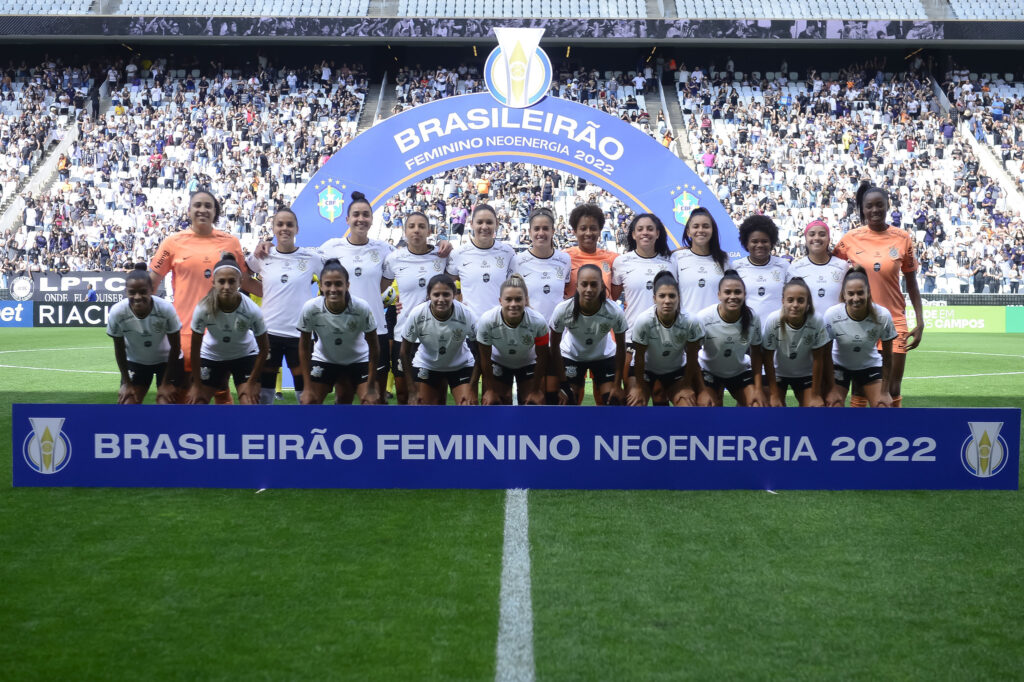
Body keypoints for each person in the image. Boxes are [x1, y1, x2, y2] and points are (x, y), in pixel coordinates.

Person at [149, 189, 261, 403]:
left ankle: (223, 437)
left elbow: (244, 280)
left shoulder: (230, 242)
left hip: (222, 332)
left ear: (215, 212)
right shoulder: (172, 243)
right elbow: (151, 283)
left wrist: (276, 295)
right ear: (189, 210)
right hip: (185, 333)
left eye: (208, 206)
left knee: (220, 393)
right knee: (181, 397)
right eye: (197, 205)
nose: (202, 209)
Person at [833, 182, 923, 407]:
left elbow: (911, 282)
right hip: (859, 322)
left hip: (894, 320)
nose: (875, 210)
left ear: (887, 206)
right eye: (869, 206)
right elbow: (833, 275)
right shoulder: (849, 240)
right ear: (862, 209)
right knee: (861, 387)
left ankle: (892, 437)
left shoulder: (902, 238)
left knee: (892, 387)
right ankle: (857, 437)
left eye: (879, 206)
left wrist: (920, 321)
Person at [318, 192, 396, 399]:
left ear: (371, 219)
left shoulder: (384, 249)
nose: (361, 219)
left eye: (366, 215)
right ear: (347, 219)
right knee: (344, 396)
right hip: (342, 330)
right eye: (356, 214)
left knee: (375, 398)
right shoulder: (331, 248)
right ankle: (345, 432)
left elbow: (388, 281)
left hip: (375, 329)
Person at [246, 208, 323, 404]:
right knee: (263, 395)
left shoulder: (311, 258)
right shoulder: (263, 255)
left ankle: (306, 433)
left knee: (305, 395)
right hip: (268, 333)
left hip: (300, 335)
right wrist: (269, 291)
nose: (284, 228)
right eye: (280, 224)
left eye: (289, 225)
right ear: (273, 228)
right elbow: (242, 279)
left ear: (297, 229)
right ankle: (265, 431)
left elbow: (333, 280)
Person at [446, 203, 515, 396]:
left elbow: (515, 288)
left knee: (499, 395)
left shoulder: (507, 252)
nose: (484, 226)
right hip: (469, 330)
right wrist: (457, 302)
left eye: (489, 222)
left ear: (496, 225)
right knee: (469, 393)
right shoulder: (459, 254)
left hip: (500, 330)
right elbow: (446, 284)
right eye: (480, 222)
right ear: (472, 224)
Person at [382, 211, 448, 404]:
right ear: (405, 231)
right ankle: (407, 432)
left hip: (436, 335)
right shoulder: (394, 259)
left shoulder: (443, 256)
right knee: (403, 394)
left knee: (435, 396)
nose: (416, 230)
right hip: (404, 334)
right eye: (411, 226)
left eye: (421, 226)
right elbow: (379, 289)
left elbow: (456, 287)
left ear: (429, 230)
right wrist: (392, 303)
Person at [187, 254, 269, 405]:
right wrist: (197, 385)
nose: (226, 286)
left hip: (244, 355)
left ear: (240, 282)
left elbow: (264, 349)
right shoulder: (203, 308)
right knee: (196, 403)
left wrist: (252, 382)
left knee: (249, 403)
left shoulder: (251, 310)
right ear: (213, 282)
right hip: (212, 355)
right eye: (221, 281)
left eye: (232, 281)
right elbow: (195, 349)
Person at [296, 259, 380, 405]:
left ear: (347, 285)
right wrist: (307, 387)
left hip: (358, 360)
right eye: (328, 284)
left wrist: (371, 387)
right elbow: (303, 347)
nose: (333, 289)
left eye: (338, 284)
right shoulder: (310, 308)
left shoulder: (361, 308)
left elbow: (374, 347)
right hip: (324, 360)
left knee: (370, 404)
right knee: (309, 403)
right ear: (321, 286)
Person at [512, 207, 571, 405]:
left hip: (554, 340)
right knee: (530, 398)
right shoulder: (518, 261)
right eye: (536, 228)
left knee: (553, 397)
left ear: (553, 231)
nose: (541, 233)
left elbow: (564, 294)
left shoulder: (564, 259)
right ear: (529, 232)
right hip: (528, 340)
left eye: (546, 228)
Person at [612, 213, 674, 398]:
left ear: (657, 233)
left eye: (649, 229)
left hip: (664, 337)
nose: (645, 233)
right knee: (634, 398)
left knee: (660, 396)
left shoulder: (671, 262)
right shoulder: (621, 262)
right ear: (633, 234)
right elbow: (613, 297)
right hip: (632, 338)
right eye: (640, 229)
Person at [549, 264, 628, 405]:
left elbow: (621, 348)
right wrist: (563, 384)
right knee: (566, 400)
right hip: (572, 356)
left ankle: (604, 428)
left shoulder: (614, 311)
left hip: (604, 356)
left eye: (594, 284)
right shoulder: (563, 310)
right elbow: (554, 347)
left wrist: (617, 384)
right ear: (577, 286)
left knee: (613, 400)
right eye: (584, 284)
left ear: (602, 286)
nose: (589, 289)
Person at [106, 263, 182, 405]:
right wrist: (126, 383)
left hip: (167, 362)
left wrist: (165, 383)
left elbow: (176, 347)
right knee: (127, 403)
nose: (137, 297)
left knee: (166, 403)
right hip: (136, 362)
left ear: (151, 290)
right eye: (132, 292)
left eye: (143, 291)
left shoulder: (166, 309)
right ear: (126, 292)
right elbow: (119, 349)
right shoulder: (117, 312)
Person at [823, 266, 897, 408]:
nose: (855, 298)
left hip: (869, 366)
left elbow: (888, 357)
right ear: (844, 295)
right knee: (834, 405)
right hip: (839, 367)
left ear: (868, 293)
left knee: (883, 406)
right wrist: (832, 389)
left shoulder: (883, 315)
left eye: (860, 293)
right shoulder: (831, 315)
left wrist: (885, 391)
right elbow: (825, 355)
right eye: (850, 294)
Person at [627, 270, 704, 407]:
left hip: (675, 370)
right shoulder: (643, 321)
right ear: (654, 298)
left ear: (678, 297)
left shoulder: (691, 321)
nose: (667, 301)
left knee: (687, 404)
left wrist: (686, 385)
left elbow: (693, 356)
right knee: (636, 404)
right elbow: (639, 357)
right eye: (662, 296)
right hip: (645, 371)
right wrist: (638, 387)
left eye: (672, 296)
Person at [400, 274, 479, 406]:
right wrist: (412, 390)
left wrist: (473, 386)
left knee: (468, 407)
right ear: (429, 295)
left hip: (460, 365)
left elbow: (481, 352)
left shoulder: (466, 314)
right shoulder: (418, 313)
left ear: (454, 294)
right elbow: (404, 352)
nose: (441, 299)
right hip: (427, 364)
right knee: (425, 410)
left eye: (446, 294)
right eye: (436, 295)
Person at [476, 274, 550, 406]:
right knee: (494, 403)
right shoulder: (487, 320)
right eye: (508, 299)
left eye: (518, 299)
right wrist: (491, 390)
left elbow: (543, 358)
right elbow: (485, 359)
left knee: (533, 403)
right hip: (499, 362)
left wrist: (536, 390)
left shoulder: (538, 322)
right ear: (500, 301)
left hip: (528, 362)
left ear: (525, 300)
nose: (513, 304)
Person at [695, 270, 765, 407]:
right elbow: (692, 355)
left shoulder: (752, 318)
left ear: (744, 295)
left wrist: (758, 389)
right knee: (708, 406)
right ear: (719, 295)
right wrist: (702, 390)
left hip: (739, 371)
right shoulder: (704, 317)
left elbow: (756, 353)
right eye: (727, 292)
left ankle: (740, 424)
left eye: (737, 292)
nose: (732, 296)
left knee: (757, 405)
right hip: (709, 371)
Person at [760, 278, 830, 407]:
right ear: (783, 301)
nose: (795, 305)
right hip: (778, 373)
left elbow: (818, 359)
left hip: (805, 374)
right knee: (773, 407)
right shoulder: (773, 320)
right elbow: (768, 358)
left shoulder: (816, 320)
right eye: (790, 300)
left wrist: (815, 394)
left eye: (801, 300)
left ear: (808, 302)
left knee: (816, 408)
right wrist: (774, 394)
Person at [672, 207, 733, 317]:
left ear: (712, 230)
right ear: (688, 232)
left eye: (706, 226)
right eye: (695, 226)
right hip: (687, 329)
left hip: (716, 328)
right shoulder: (676, 258)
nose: (700, 230)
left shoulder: (724, 259)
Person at [733, 214, 789, 323]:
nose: (760, 245)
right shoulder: (736, 267)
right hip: (746, 331)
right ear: (746, 243)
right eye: (754, 241)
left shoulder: (784, 266)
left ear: (771, 243)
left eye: (764, 241)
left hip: (777, 331)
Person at [786, 220, 848, 308]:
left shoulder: (842, 266)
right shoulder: (795, 268)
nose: (816, 238)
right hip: (808, 322)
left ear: (829, 240)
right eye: (812, 234)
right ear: (806, 239)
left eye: (822, 234)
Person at [564, 203, 621, 298]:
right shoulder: (564, 258)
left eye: (593, 228)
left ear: (600, 231)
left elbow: (613, 296)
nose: (588, 233)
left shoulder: (613, 259)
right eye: (583, 228)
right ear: (575, 231)